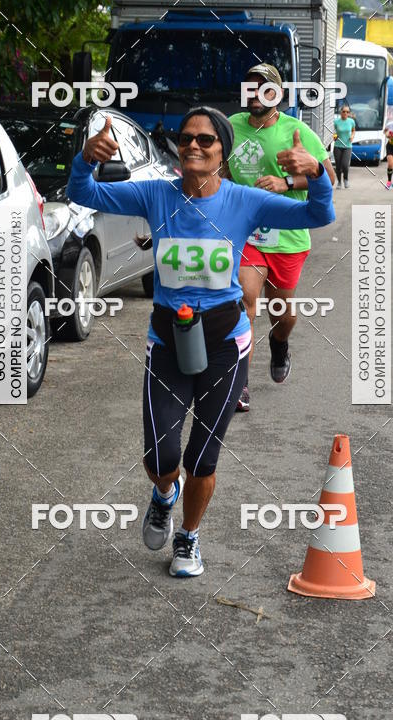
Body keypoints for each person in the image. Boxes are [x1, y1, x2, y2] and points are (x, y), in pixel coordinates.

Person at [66, 107, 334, 577]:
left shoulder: (244, 200)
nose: (193, 145)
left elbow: (319, 212)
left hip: (225, 342)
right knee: (163, 457)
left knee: (202, 460)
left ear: (222, 152)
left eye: (206, 140)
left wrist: (315, 172)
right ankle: (163, 495)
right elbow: (81, 192)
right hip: (168, 340)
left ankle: (188, 538)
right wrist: (85, 159)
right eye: (187, 138)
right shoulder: (155, 194)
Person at [227, 64, 336, 413]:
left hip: (288, 236)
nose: (256, 95)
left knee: (283, 315)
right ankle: (238, 385)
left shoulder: (298, 131)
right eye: (250, 88)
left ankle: (279, 343)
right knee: (245, 300)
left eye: (264, 89)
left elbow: (327, 178)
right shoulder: (230, 126)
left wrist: (287, 182)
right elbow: (222, 171)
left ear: (278, 95)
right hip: (247, 234)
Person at [333, 105, 356, 188]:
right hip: (338, 146)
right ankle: (339, 182)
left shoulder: (351, 121)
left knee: (345, 165)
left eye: (347, 112)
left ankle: (346, 179)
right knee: (338, 166)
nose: (346, 113)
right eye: (344, 111)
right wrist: (335, 136)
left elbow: (353, 130)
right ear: (341, 112)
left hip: (348, 146)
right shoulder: (336, 122)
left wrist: (352, 136)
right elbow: (334, 131)